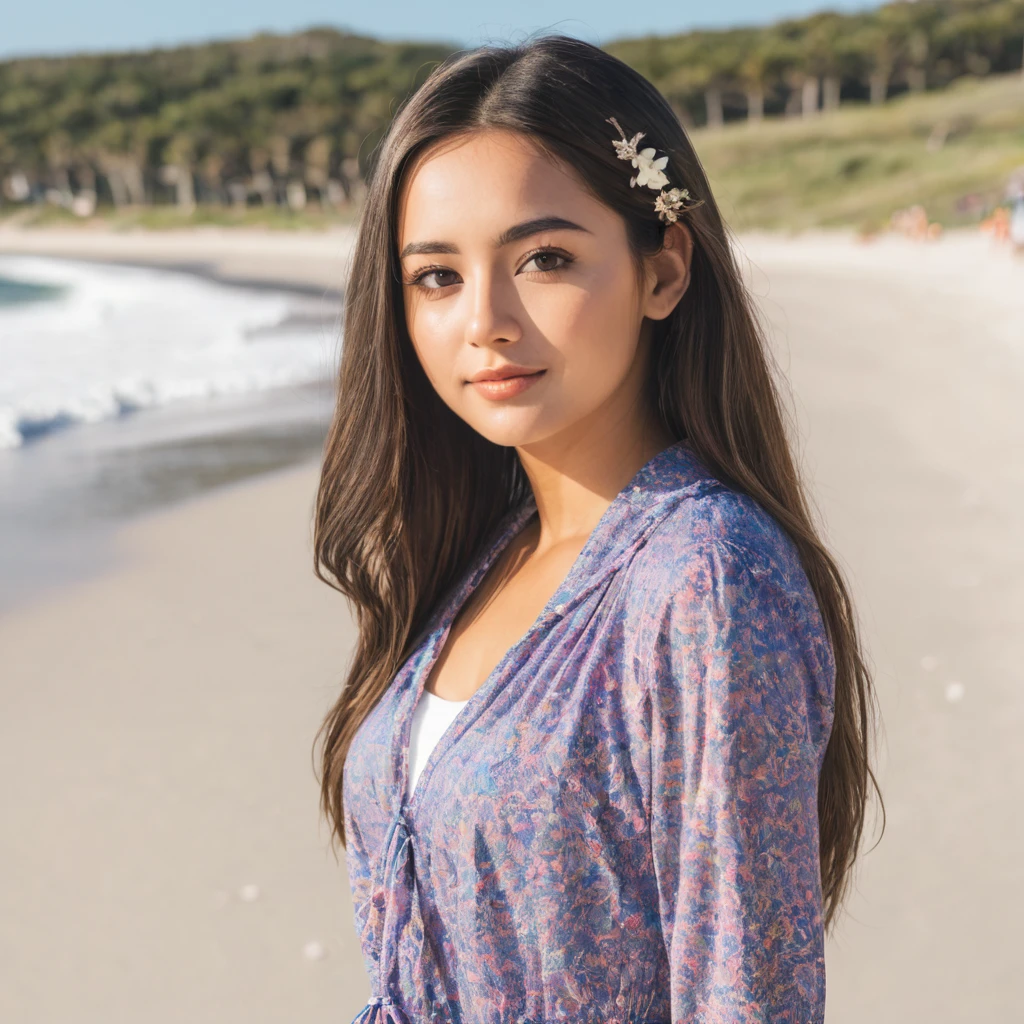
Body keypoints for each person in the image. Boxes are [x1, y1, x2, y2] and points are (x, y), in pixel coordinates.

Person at [312, 35, 880, 1024]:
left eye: (544, 258)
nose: (485, 319)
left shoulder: (703, 576)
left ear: (663, 271)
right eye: (437, 277)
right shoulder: (489, 558)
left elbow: (745, 994)